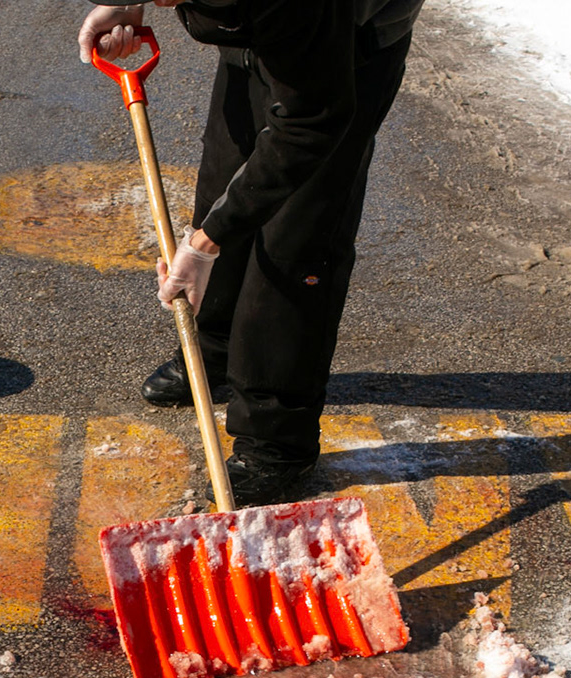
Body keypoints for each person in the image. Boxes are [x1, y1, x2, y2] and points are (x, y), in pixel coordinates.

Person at [77, 0, 425, 507]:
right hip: (267, 28)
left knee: (296, 236)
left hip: (344, 44)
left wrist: (203, 245)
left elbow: (311, 121)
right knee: (225, 178)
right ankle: (215, 353)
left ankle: (276, 438)